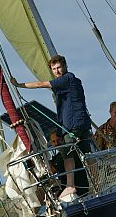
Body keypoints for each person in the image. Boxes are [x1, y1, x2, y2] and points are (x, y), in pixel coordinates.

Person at [11, 54, 91, 200]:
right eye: (54, 69)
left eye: (59, 67)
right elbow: (64, 108)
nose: (57, 71)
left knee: (67, 152)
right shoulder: (67, 83)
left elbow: (40, 84)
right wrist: (60, 131)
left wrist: (19, 85)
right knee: (84, 153)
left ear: (65, 66)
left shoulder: (68, 78)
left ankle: (70, 185)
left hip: (75, 125)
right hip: (75, 124)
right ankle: (90, 184)